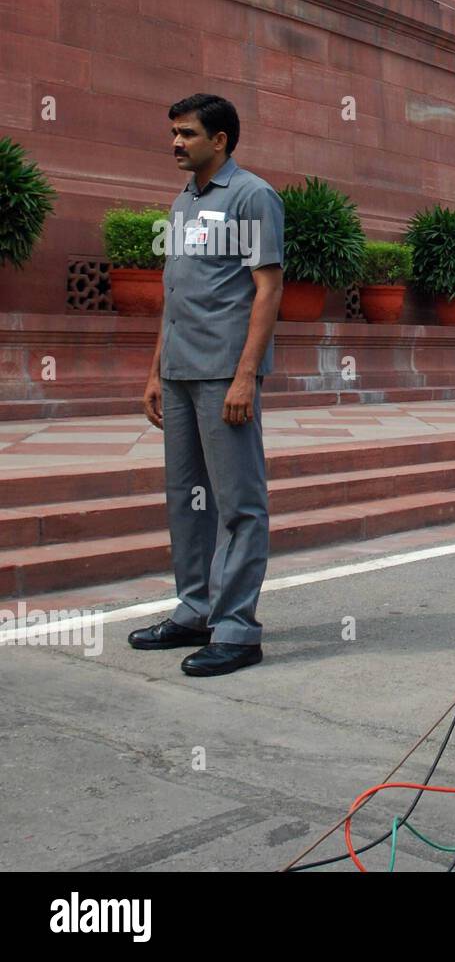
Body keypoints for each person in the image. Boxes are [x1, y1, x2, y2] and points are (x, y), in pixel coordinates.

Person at [128, 94, 284, 677]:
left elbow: (267, 289)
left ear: (220, 139)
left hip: (224, 374)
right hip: (179, 374)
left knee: (239, 503)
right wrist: (154, 370)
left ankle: (238, 630)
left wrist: (247, 374)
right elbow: (175, 296)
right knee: (187, 501)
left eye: (187, 133)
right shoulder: (182, 203)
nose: (176, 142)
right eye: (173, 133)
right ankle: (196, 609)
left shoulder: (252, 196)